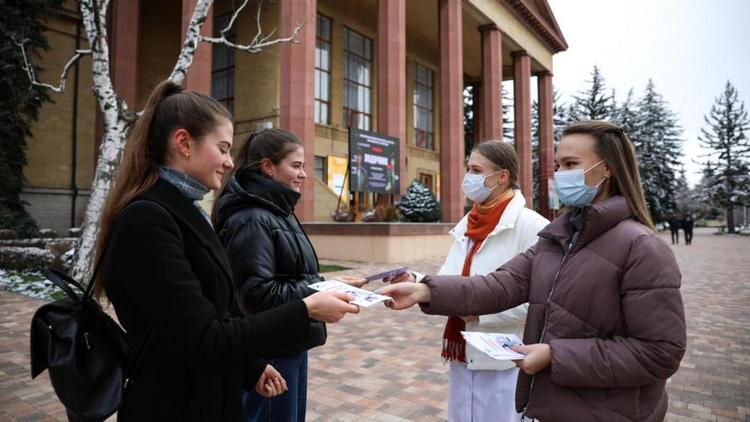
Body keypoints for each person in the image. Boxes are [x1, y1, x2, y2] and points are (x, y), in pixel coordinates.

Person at [381, 120, 687, 422]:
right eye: (557, 165)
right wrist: (425, 290)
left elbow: (660, 352)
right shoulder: (559, 237)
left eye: (571, 164)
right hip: (554, 406)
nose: (560, 175)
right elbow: (502, 285)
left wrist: (556, 356)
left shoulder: (642, 247)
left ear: (607, 168)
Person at [94, 80, 359, 422]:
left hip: (206, 395)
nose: (230, 162)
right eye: (222, 148)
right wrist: (305, 308)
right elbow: (204, 339)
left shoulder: (184, 210)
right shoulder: (147, 219)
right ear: (184, 143)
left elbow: (211, 314)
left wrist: (250, 367)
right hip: (173, 406)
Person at [212, 128, 367, 422]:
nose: (304, 175)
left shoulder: (277, 211)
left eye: (304, 166)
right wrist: (317, 291)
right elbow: (255, 295)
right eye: (295, 166)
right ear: (268, 167)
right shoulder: (253, 218)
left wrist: (328, 284)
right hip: (269, 353)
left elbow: (288, 275)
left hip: (289, 344)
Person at [387, 141, 548, 421]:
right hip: (464, 351)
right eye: (468, 168)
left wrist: (479, 312)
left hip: (505, 358)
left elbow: (540, 300)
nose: (468, 177)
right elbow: (451, 279)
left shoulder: (532, 227)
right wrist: (416, 281)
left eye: (476, 170)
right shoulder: (469, 223)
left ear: (502, 176)